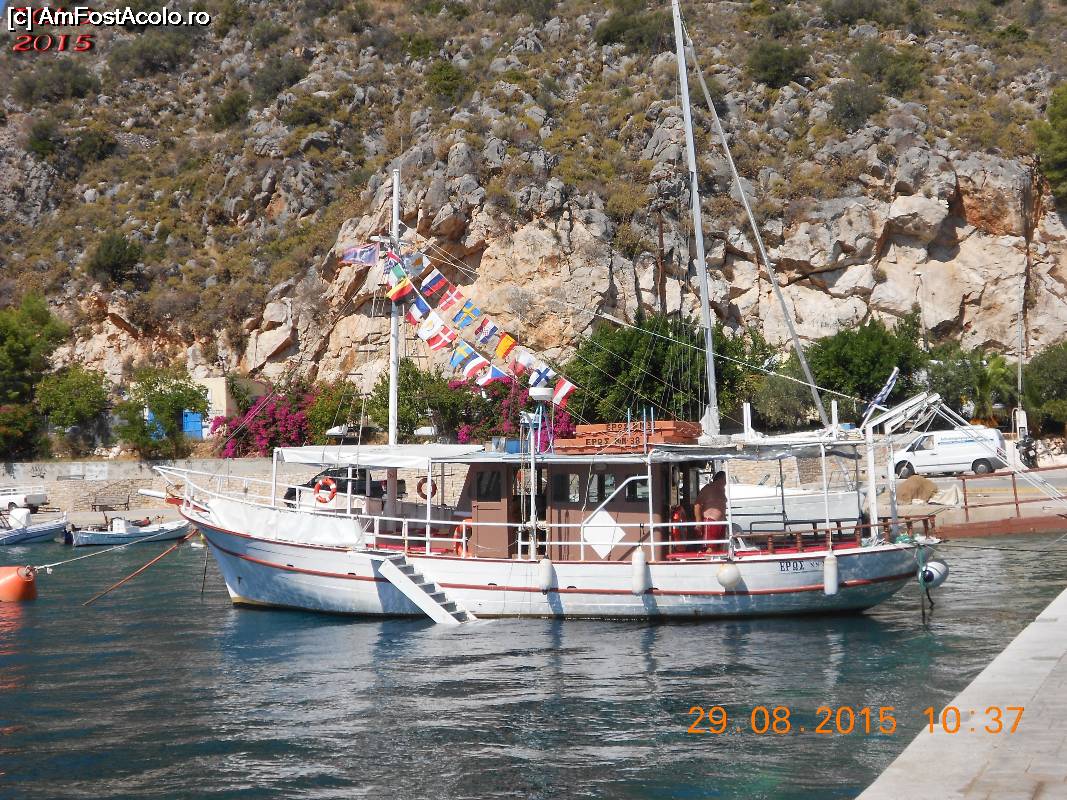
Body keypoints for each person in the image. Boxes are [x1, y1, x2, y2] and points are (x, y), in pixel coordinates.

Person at [695, 471, 727, 548]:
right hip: (710, 522)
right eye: (725, 479)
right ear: (721, 479)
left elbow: (721, 506)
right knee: (710, 547)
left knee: (720, 547)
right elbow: (697, 505)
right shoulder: (707, 488)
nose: (726, 482)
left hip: (721, 523)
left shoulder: (722, 490)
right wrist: (698, 522)